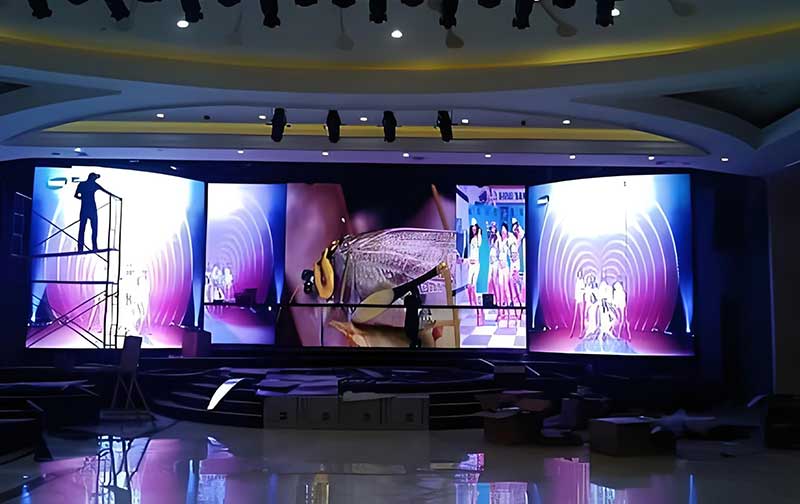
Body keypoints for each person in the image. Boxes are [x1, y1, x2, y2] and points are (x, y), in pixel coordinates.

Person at [73, 173, 117, 252]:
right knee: (92, 228)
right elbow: (106, 191)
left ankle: (82, 248)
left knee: (84, 228)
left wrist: (83, 198)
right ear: (92, 178)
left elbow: (76, 195)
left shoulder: (83, 184)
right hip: (91, 209)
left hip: (86, 208)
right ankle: (92, 247)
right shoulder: (92, 185)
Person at [467, 218, 483, 325]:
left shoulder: (477, 238)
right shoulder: (470, 239)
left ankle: (476, 306)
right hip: (471, 264)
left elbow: (479, 244)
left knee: (473, 285)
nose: (474, 230)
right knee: (469, 285)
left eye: (475, 229)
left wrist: (479, 232)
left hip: (476, 264)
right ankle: (471, 304)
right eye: (472, 229)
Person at [497, 223, 512, 323]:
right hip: (500, 266)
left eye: (504, 230)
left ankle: (509, 309)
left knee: (506, 288)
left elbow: (510, 255)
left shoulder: (508, 241)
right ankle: (501, 311)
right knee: (500, 286)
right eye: (502, 231)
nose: (503, 232)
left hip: (506, 267)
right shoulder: (499, 240)